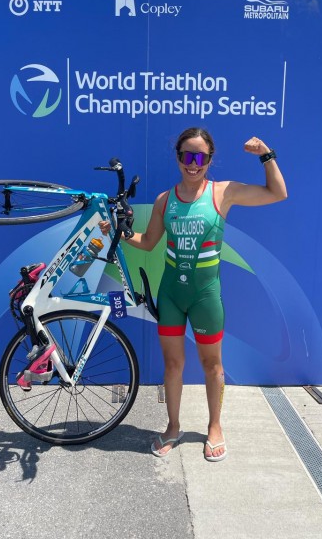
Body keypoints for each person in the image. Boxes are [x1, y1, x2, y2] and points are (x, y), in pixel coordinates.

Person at [98, 127, 287, 462]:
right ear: (178, 157)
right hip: (171, 294)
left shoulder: (223, 193)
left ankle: (215, 426)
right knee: (173, 365)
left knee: (212, 365)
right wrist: (118, 232)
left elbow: (278, 193)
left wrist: (266, 155)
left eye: (200, 157)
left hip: (205, 297)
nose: (193, 163)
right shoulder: (164, 200)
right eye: (187, 155)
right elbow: (148, 242)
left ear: (210, 159)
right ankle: (173, 427)